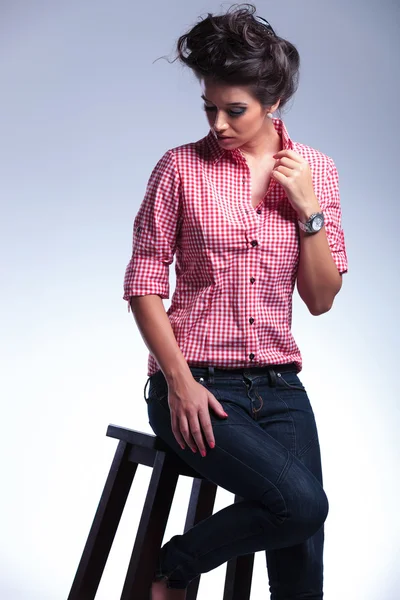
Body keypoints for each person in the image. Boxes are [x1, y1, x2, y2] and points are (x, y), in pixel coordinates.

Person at [123, 4, 348, 599]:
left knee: (302, 557)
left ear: (272, 102)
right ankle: (175, 564)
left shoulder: (316, 172)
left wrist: (308, 212)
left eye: (234, 109)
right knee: (299, 502)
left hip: (280, 388)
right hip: (196, 384)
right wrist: (178, 382)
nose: (218, 122)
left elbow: (321, 299)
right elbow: (144, 283)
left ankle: (180, 561)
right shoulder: (180, 168)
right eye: (209, 107)